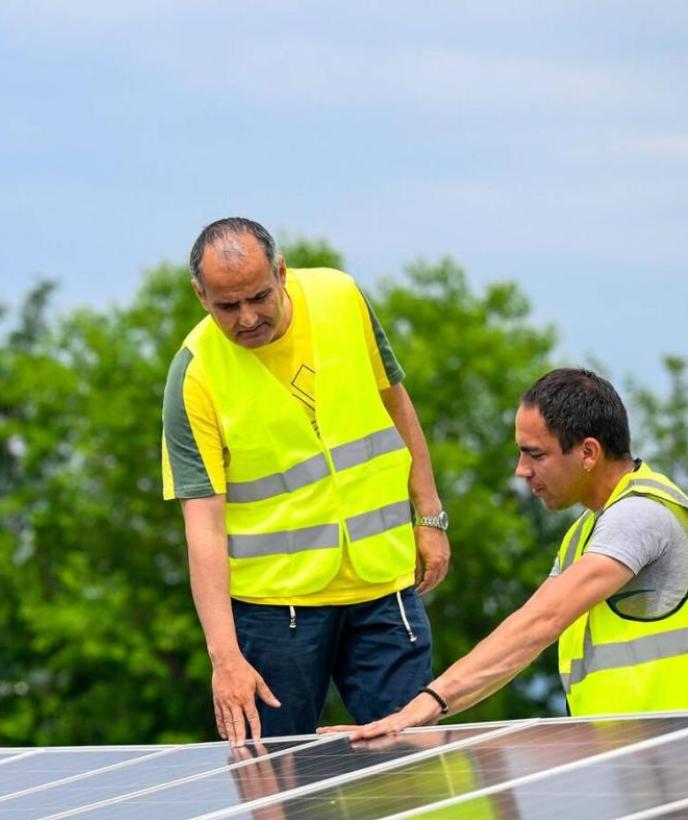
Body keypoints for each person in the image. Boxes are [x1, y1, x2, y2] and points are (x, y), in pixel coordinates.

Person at [161, 217, 450, 746]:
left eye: (258, 297)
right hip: (275, 613)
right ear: (200, 296)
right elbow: (202, 528)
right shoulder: (194, 374)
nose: (247, 318)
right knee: (276, 776)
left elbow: (395, 401)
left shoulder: (341, 296)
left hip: (383, 585)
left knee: (413, 759)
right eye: (227, 306)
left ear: (281, 272)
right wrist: (225, 658)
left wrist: (429, 515)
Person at [336, 367, 688, 741]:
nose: (522, 471)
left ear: (588, 452)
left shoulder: (640, 515)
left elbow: (540, 622)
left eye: (535, 455)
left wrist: (427, 702)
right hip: (640, 758)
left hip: (671, 759)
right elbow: (517, 649)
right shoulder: (583, 533)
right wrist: (417, 713)